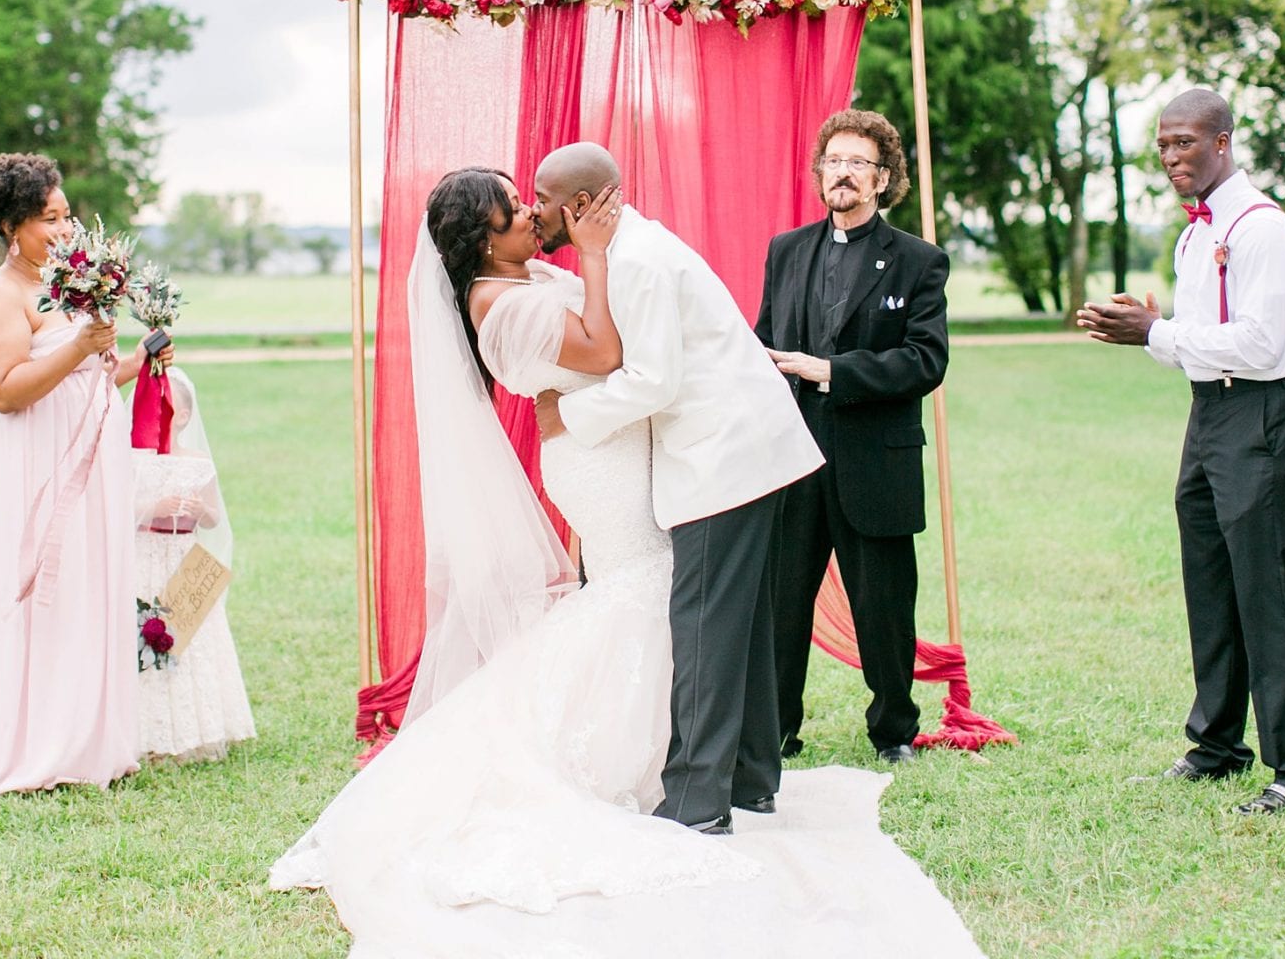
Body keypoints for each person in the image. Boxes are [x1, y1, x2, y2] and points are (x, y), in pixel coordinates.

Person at [271, 166, 980, 958]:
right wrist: (596, 261)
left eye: (534, 204)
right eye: (516, 212)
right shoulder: (504, 301)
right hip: (596, 460)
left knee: (659, 600)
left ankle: (697, 771)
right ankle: (677, 777)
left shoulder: (538, 273)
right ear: (484, 238)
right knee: (645, 594)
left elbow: (617, 350)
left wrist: (589, 275)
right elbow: (608, 351)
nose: (532, 220)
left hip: (623, 445)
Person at [534, 141, 825, 835]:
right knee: (742, 624)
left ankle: (696, 804)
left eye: (541, 196)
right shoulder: (635, 249)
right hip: (749, 450)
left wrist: (565, 416)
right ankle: (753, 779)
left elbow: (654, 381)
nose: (532, 206)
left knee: (700, 627)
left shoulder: (635, 263)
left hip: (725, 458)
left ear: (578, 207)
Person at [1078, 90, 1285, 815]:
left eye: (1184, 143)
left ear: (1223, 141)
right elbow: (1200, 334)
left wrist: (1155, 334)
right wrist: (1150, 324)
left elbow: (1257, 343)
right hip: (1210, 413)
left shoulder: (1263, 230)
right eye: (1162, 147)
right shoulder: (1196, 233)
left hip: (1265, 411)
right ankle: (1218, 746)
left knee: (1267, 588)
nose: (1170, 158)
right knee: (1211, 583)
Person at [0, 153, 164, 800]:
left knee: (84, 584)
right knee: (30, 593)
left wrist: (138, 357)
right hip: (24, 459)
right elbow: (5, 390)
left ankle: (83, 733)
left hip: (82, 456)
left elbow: (86, 376)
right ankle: (28, 739)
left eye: (64, 216)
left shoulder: (70, 285)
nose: (63, 230)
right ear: (9, 226)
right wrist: (79, 348)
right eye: (47, 220)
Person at [753, 108, 949, 765]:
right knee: (781, 602)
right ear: (821, 174)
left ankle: (894, 729)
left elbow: (926, 360)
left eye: (858, 162)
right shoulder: (785, 251)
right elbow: (763, 343)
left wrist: (834, 371)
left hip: (876, 462)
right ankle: (777, 726)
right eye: (834, 160)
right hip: (794, 459)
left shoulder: (919, 261)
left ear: (883, 177)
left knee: (885, 606)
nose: (843, 173)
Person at [132, 367, 256, 762]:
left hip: (183, 557)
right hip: (146, 556)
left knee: (191, 641)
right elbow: (118, 510)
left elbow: (215, 517)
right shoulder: (137, 462)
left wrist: (201, 509)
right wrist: (154, 506)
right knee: (141, 636)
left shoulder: (197, 461)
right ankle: (142, 731)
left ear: (183, 416)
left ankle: (196, 728)